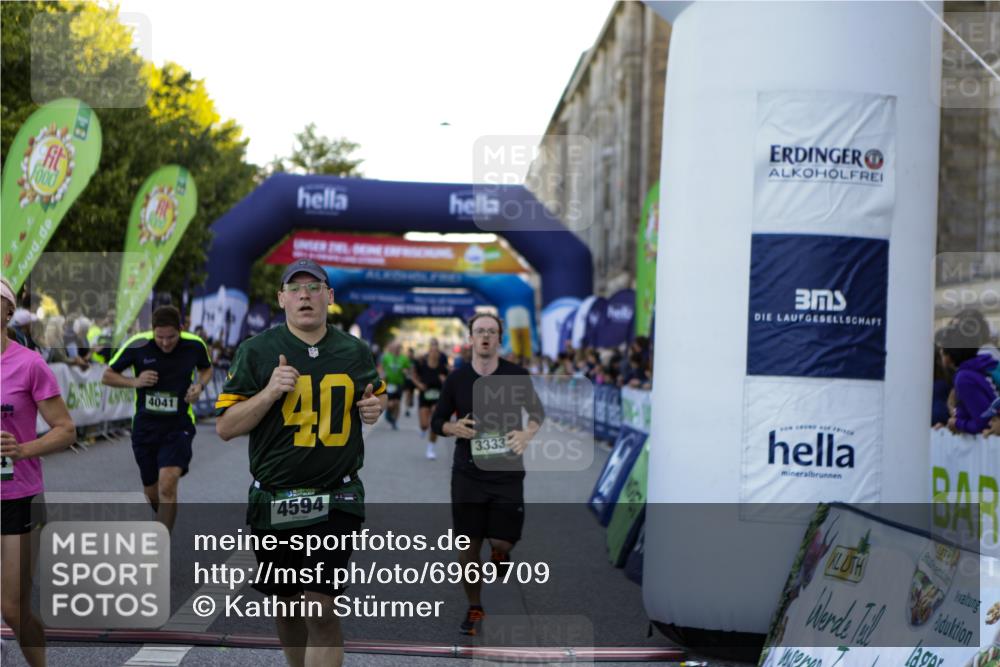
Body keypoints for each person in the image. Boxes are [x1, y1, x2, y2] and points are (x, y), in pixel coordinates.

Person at [215, 258, 386, 667]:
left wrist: (375, 407)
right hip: (275, 499)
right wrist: (269, 392)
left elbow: (375, 395)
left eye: (314, 288)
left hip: (336, 496)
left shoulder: (354, 351)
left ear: (330, 296)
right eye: (295, 289)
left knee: (319, 607)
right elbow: (225, 427)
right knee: (288, 605)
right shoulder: (256, 352)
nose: (304, 296)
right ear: (282, 299)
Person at [432, 312, 544, 636]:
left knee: (502, 542)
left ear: (499, 338)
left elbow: (537, 412)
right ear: (470, 338)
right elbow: (437, 421)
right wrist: (453, 427)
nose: (484, 337)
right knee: (468, 546)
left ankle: (500, 553)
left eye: (491, 332)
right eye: (479, 331)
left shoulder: (517, 375)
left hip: (507, 471)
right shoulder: (456, 379)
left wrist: (526, 434)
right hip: (467, 473)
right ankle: (475, 607)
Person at [1, 276, 76, 667]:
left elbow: (66, 430)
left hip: (17, 497)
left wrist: (23, 448)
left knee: (13, 610)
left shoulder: (29, 364)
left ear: (9, 311)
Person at [101, 305, 212, 533]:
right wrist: (135, 381)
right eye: (159, 337)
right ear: (152, 331)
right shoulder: (138, 344)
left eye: (171, 337)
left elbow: (207, 369)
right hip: (145, 427)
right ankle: (164, 515)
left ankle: (159, 547)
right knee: (152, 493)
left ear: (181, 329)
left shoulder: (194, 344)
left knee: (168, 484)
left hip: (178, 425)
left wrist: (199, 386)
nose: (165, 343)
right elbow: (107, 376)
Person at [410, 338, 449, 460]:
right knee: (424, 424)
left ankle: (431, 448)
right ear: (429, 352)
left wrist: (445, 381)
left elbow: (451, 381)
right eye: (432, 351)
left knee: (434, 423)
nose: (434, 354)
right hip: (424, 397)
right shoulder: (422, 364)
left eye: (437, 352)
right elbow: (413, 376)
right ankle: (422, 429)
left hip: (438, 398)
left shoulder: (443, 367)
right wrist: (419, 385)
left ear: (439, 354)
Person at [378, 341, 410, 430]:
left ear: (400, 349)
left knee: (397, 403)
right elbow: (381, 367)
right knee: (390, 404)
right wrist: (381, 375)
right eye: (394, 348)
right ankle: (388, 415)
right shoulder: (387, 357)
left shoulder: (404, 358)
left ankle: (395, 422)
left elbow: (408, 369)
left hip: (399, 383)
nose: (396, 350)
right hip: (388, 383)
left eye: (398, 348)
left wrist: (406, 371)